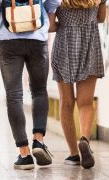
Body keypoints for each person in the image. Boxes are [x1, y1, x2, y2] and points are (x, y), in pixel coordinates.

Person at [0, 0, 58, 170]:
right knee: (39, 90)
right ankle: (38, 140)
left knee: (14, 95)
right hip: (37, 36)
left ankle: (24, 154)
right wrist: (42, 12)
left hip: (8, 40)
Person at [48, 0, 107, 169]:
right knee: (86, 102)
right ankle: (85, 140)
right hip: (90, 43)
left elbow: (51, 26)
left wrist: (66, 24)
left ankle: (74, 154)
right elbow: (101, 18)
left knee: (66, 102)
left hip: (64, 46)